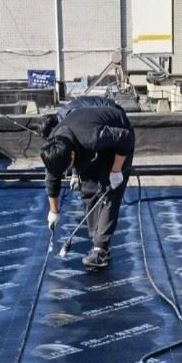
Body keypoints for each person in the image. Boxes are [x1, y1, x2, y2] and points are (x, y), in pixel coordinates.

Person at [40, 103, 134, 269]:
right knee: (88, 189)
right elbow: (52, 179)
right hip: (90, 142)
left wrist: (116, 170)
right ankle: (95, 237)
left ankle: (101, 249)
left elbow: (125, 138)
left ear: (72, 155)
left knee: (109, 192)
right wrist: (53, 212)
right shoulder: (54, 147)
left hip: (119, 137)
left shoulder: (90, 137)